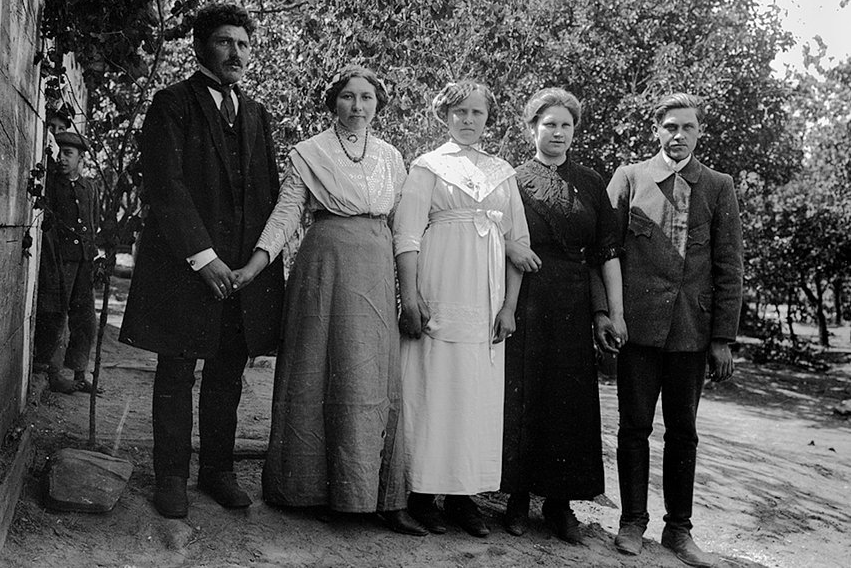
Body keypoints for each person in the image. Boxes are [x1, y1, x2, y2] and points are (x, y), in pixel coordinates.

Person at [234, 65, 425, 536]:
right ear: (332, 102)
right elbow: (285, 216)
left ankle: (377, 497)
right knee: (318, 374)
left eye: (366, 98)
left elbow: (406, 229)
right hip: (324, 268)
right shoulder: (310, 153)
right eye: (347, 97)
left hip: (376, 271)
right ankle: (313, 490)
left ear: (378, 104)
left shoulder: (392, 157)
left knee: (369, 377)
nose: (357, 107)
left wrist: (413, 292)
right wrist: (254, 266)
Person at [119, 3, 284, 520]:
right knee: (175, 373)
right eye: (224, 42)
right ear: (200, 46)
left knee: (228, 375)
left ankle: (218, 471)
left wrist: (251, 267)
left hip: (238, 277)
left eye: (243, 44)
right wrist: (204, 258)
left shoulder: (256, 114)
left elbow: (267, 195)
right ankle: (170, 477)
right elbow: (165, 187)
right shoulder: (171, 104)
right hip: (185, 269)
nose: (235, 53)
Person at [607, 93, 742, 566]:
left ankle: (678, 531)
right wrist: (608, 314)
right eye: (669, 126)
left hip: (691, 332)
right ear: (656, 130)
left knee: (683, 431)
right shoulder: (629, 178)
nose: (678, 135)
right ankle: (631, 522)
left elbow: (730, 266)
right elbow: (605, 253)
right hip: (637, 331)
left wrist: (722, 338)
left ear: (699, 131)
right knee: (634, 427)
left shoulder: (719, 186)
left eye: (687, 127)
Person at [394, 80, 528, 538]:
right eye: (459, 112)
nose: (468, 121)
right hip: (440, 284)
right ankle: (421, 492)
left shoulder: (502, 172)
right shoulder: (427, 167)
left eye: (477, 113)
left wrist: (508, 307)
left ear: (489, 119)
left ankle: (463, 496)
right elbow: (407, 236)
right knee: (433, 387)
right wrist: (410, 297)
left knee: (475, 392)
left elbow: (519, 245)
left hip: (486, 298)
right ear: (444, 116)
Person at [501, 88, 627, 542]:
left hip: (574, 301)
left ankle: (559, 505)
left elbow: (606, 251)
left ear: (575, 131)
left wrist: (612, 312)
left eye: (565, 125)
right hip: (528, 293)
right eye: (549, 123)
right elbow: (497, 240)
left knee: (567, 402)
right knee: (525, 394)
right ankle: (515, 499)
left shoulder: (591, 182)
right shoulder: (511, 179)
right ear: (532, 128)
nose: (557, 132)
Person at [33, 130, 100, 394]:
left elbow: (92, 224)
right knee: (56, 314)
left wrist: (95, 258)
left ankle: (80, 373)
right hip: (60, 262)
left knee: (85, 318)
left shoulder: (89, 187)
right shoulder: (51, 185)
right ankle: (53, 373)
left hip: (84, 262)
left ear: (81, 158)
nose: (61, 158)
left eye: (67, 153)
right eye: (58, 153)